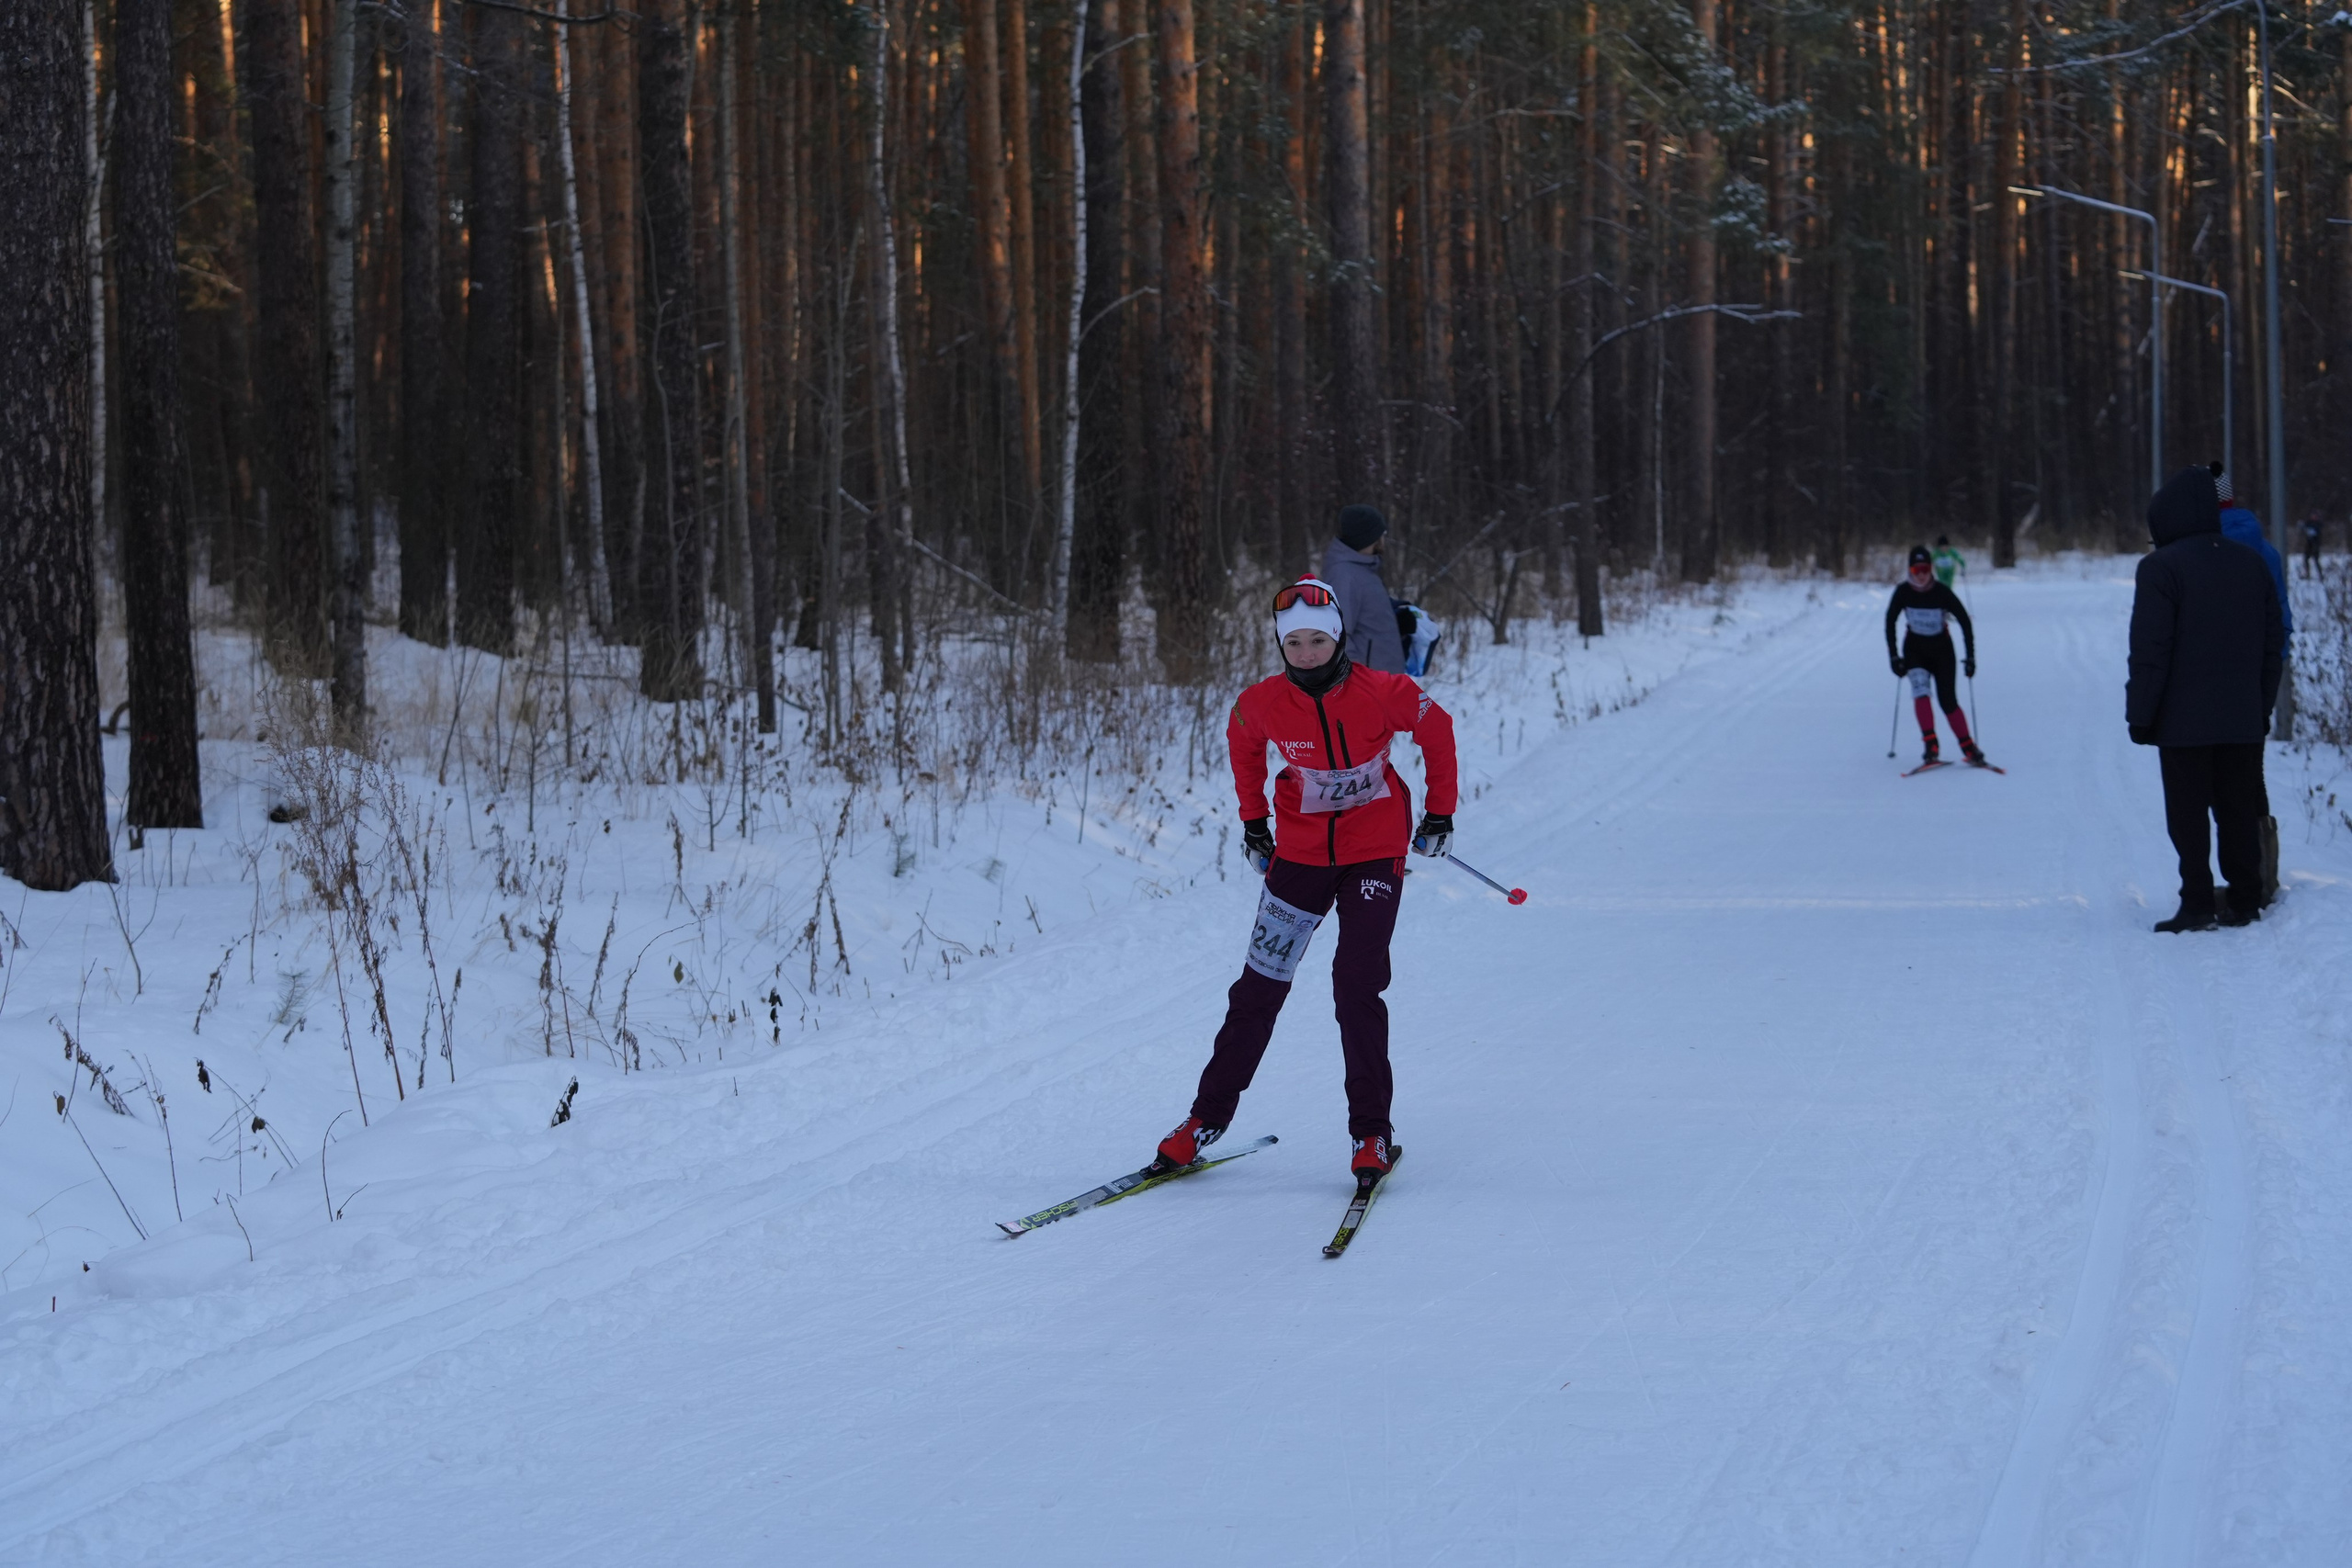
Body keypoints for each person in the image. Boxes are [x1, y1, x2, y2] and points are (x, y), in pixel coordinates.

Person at [1152, 577, 1459, 1189]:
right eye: (1295, 643)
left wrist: (1439, 811)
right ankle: (1204, 1119)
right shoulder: (1261, 702)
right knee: (1259, 988)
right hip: (1299, 854)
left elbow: (1437, 727)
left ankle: (1370, 1131)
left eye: (1319, 640)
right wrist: (1252, 821)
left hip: (1374, 852)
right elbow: (1243, 743)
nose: (1308, 653)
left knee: (1356, 985)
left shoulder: (1383, 691)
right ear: (1280, 645)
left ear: (1339, 636)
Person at [2127, 466, 2284, 932]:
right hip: (2241, 716)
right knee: (2237, 806)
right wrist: (2261, 706)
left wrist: (2141, 714)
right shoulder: (2250, 562)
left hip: (2181, 721)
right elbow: (2271, 644)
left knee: (2188, 814)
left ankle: (2196, 902)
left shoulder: (2159, 568)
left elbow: (2151, 649)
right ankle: (2245, 900)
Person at [2212, 466, 2289, 902]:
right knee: (2249, 767)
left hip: (2231, 668)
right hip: (2267, 663)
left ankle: (2251, 879)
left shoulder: (2213, 545)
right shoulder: (2265, 546)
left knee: (2225, 773)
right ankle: (2264, 870)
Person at [1885, 545, 1985, 767]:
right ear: (1909, 571)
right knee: (1921, 694)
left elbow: (1965, 621)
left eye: (1925, 569)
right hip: (1915, 652)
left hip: (1942, 652)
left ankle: (1968, 747)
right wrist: (1893, 656)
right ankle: (1931, 745)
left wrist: (1971, 657)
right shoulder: (1903, 592)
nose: (1920, 575)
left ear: (1931, 569)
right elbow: (1890, 621)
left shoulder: (1941, 592)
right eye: (1915, 571)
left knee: (1948, 701)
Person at [1320, 504, 1408, 673]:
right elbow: (1337, 635)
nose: (1383, 539)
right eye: (1381, 534)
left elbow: (1365, 615)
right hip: (1369, 685)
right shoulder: (1344, 575)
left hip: (1384, 681)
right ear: (1369, 538)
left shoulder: (1361, 570)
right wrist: (1357, 679)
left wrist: (1396, 619)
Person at [2301, 509, 2324, 578]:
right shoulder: (2308, 523)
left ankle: (2320, 575)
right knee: (2306, 558)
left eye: (2315, 516)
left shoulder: (2318, 524)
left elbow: (2318, 532)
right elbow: (2304, 530)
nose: (2313, 517)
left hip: (2315, 543)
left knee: (2316, 559)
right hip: (2309, 543)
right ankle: (2307, 574)